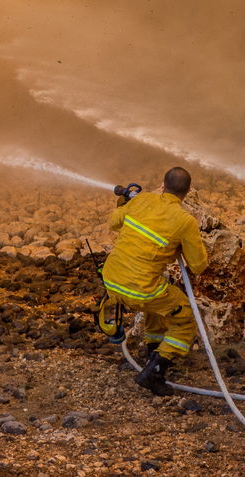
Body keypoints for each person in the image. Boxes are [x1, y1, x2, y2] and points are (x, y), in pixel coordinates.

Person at [101, 166, 210, 395]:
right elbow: (199, 265)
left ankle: (152, 352)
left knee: (158, 306)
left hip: (111, 280)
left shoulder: (142, 201)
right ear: (187, 192)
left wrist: (125, 203)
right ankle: (156, 370)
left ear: (163, 184)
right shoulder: (184, 221)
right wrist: (182, 242)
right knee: (185, 317)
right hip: (140, 290)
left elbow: (113, 222)